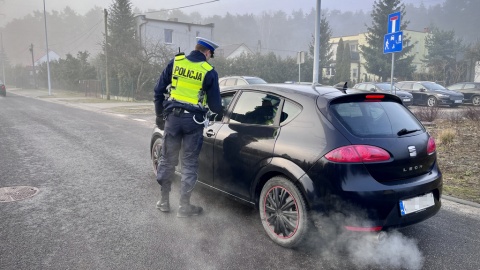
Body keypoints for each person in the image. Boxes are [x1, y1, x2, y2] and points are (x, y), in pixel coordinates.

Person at [153, 37, 223, 217]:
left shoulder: (176, 62)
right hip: (194, 121)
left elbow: (158, 90)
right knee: (189, 162)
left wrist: (159, 115)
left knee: (168, 160)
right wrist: (221, 113)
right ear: (207, 53)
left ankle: (164, 201)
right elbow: (215, 106)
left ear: (196, 48)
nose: (209, 58)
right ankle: (184, 207)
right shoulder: (209, 71)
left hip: (172, 119)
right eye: (210, 55)